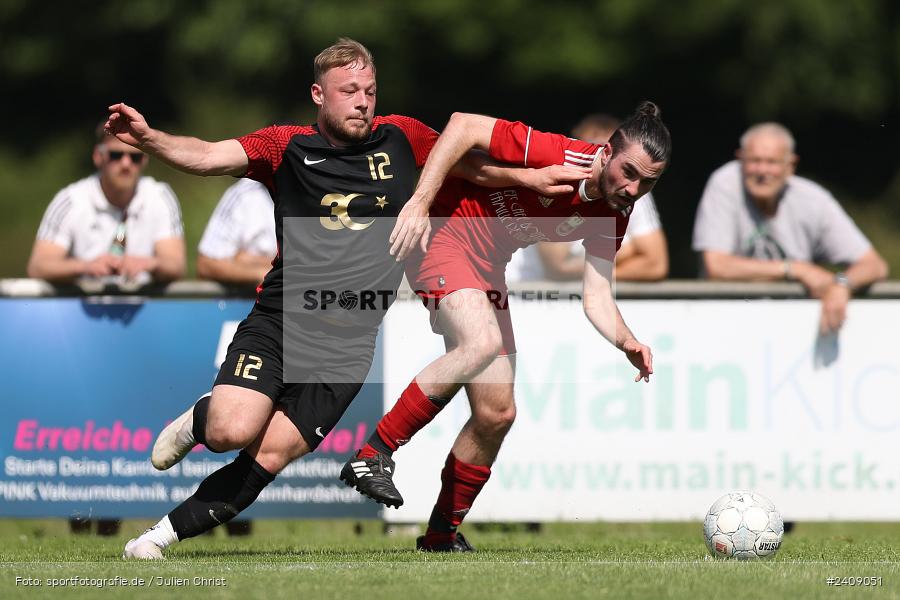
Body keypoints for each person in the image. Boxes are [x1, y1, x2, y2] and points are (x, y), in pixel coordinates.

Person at [112, 38, 580, 560]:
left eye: (370, 90)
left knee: (268, 455)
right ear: (319, 94)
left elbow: (471, 168)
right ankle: (201, 419)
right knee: (230, 430)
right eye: (349, 91)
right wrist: (150, 139)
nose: (363, 101)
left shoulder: (403, 136)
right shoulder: (284, 146)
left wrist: (532, 177)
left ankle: (153, 540)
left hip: (348, 348)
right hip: (282, 322)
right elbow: (205, 155)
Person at [340, 102, 671, 552]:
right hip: (443, 235)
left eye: (648, 182)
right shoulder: (557, 153)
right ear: (605, 152)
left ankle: (440, 537)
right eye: (629, 172)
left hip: (488, 268)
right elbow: (461, 125)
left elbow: (595, 294)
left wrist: (626, 339)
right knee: (481, 342)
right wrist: (418, 202)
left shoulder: (614, 213)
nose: (633, 188)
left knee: (497, 413)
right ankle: (372, 453)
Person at [692, 122, 888, 333]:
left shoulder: (813, 199)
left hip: (792, 331)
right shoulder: (725, 183)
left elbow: (875, 265)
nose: (762, 170)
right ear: (740, 159)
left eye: (772, 162)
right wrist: (795, 269)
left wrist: (842, 285)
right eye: (755, 161)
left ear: (791, 165)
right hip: (726, 327)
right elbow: (717, 266)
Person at [506, 113, 668, 282]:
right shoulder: (556, 179)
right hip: (524, 293)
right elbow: (559, 266)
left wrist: (600, 275)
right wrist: (628, 251)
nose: (602, 162)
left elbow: (656, 265)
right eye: (593, 150)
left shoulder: (633, 190)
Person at [27, 124, 185, 284]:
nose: (126, 164)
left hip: (142, 306)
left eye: (135, 157)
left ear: (145, 159)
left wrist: (149, 264)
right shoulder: (70, 200)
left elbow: (176, 266)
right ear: (98, 156)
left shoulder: (160, 196)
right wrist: (85, 267)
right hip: (85, 305)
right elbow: (38, 266)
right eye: (116, 155)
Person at [196, 178, 276, 286]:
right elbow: (206, 264)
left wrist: (252, 261)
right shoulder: (245, 193)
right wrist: (260, 274)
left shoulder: (305, 190)